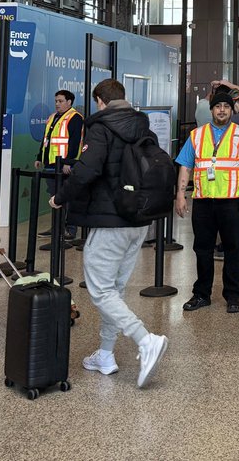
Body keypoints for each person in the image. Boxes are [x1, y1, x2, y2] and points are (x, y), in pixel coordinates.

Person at [49, 78, 168, 388]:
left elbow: (85, 170)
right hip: (139, 221)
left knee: (101, 290)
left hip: (110, 220)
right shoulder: (143, 127)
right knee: (114, 290)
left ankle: (145, 340)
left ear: (100, 101)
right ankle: (105, 354)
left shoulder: (101, 128)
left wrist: (60, 197)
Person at [174, 87, 239, 313]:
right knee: (202, 249)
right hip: (203, 200)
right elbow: (185, 166)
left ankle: (233, 295)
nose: (222, 110)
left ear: (232, 111)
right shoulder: (197, 135)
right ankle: (201, 294)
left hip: (230, 201)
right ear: (211, 110)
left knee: (232, 249)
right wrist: (180, 194)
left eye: (226, 107)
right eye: (218, 107)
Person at [37, 89, 85, 240]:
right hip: (50, 164)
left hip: (64, 165)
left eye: (61, 101)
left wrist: (68, 163)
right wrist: (40, 157)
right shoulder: (53, 117)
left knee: (67, 197)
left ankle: (70, 230)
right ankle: (57, 227)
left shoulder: (75, 118)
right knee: (54, 197)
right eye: (56, 101)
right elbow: (46, 140)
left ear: (69, 102)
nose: (57, 104)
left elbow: (75, 143)